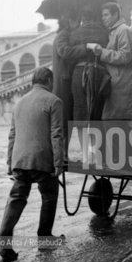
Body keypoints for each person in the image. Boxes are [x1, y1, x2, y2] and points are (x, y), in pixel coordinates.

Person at [0, 67, 64, 262]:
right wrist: (58, 163)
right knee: (50, 193)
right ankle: (44, 237)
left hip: (20, 160)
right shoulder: (54, 101)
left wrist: (10, 162)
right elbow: (56, 133)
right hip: (41, 159)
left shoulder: (19, 103)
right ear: (49, 80)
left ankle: (3, 244)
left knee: (16, 198)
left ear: (33, 81)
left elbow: (12, 135)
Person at [87, 2, 132, 169]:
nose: (103, 19)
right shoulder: (114, 32)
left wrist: (101, 52)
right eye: (102, 16)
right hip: (116, 85)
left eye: (106, 15)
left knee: (116, 123)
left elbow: (126, 56)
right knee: (112, 123)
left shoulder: (124, 31)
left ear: (116, 14)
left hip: (121, 85)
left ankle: (123, 162)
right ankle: (120, 161)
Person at [69, 5, 108, 148]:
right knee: (96, 114)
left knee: (80, 115)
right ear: (94, 17)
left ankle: (86, 157)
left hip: (79, 73)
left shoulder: (74, 34)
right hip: (99, 73)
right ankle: (97, 155)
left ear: (82, 18)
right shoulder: (104, 33)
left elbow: (70, 55)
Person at [52, 13, 80, 162]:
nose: (79, 22)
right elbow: (65, 52)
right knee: (64, 121)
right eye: (76, 19)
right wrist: (83, 48)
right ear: (68, 20)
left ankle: (63, 155)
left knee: (66, 121)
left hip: (64, 83)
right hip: (64, 84)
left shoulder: (62, 35)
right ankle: (62, 156)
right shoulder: (63, 35)